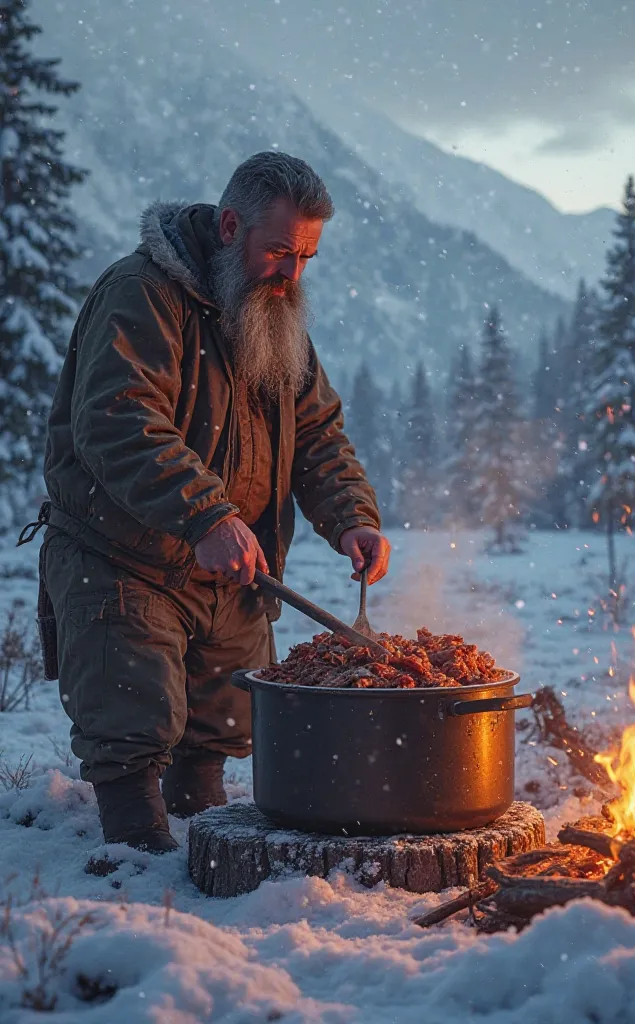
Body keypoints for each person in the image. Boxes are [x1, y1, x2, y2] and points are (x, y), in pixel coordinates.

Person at [32, 151, 391, 852]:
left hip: (231, 568)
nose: (293, 275)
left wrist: (353, 517)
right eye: (281, 252)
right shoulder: (141, 295)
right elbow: (118, 421)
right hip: (123, 560)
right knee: (131, 729)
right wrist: (205, 514)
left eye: (308, 257)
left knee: (221, 729)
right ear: (231, 226)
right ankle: (134, 872)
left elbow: (316, 430)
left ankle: (197, 834)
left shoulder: (271, 313)